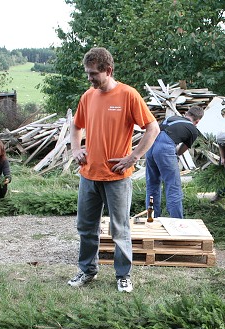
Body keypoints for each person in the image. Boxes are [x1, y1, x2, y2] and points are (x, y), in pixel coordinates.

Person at [67, 47, 160, 293]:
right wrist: (76, 149)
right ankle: (87, 271)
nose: (90, 78)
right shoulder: (88, 96)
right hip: (88, 175)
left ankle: (123, 275)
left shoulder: (128, 95)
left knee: (120, 229)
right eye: (87, 73)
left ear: (108, 71)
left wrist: (134, 157)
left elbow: (153, 128)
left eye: (93, 73)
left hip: (117, 177)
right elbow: (75, 127)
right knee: (86, 227)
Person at [146, 106, 204, 218]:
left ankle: (151, 217)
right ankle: (177, 222)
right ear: (197, 121)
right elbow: (181, 151)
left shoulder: (172, 118)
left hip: (150, 145)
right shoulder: (193, 130)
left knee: (152, 185)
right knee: (173, 186)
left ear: (187, 113)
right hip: (165, 149)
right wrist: (172, 156)